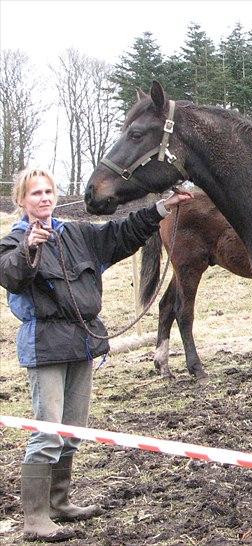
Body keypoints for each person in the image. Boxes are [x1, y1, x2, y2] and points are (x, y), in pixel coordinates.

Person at [0, 168, 191, 542]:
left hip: (82, 342)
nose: (43, 198)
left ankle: (59, 502)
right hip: (45, 346)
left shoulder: (76, 233)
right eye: (35, 193)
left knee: (72, 430)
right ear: (21, 201)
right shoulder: (12, 243)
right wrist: (31, 248)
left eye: (48, 191)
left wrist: (162, 208)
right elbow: (11, 275)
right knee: (48, 431)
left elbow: (122, 233)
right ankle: (35, 519)